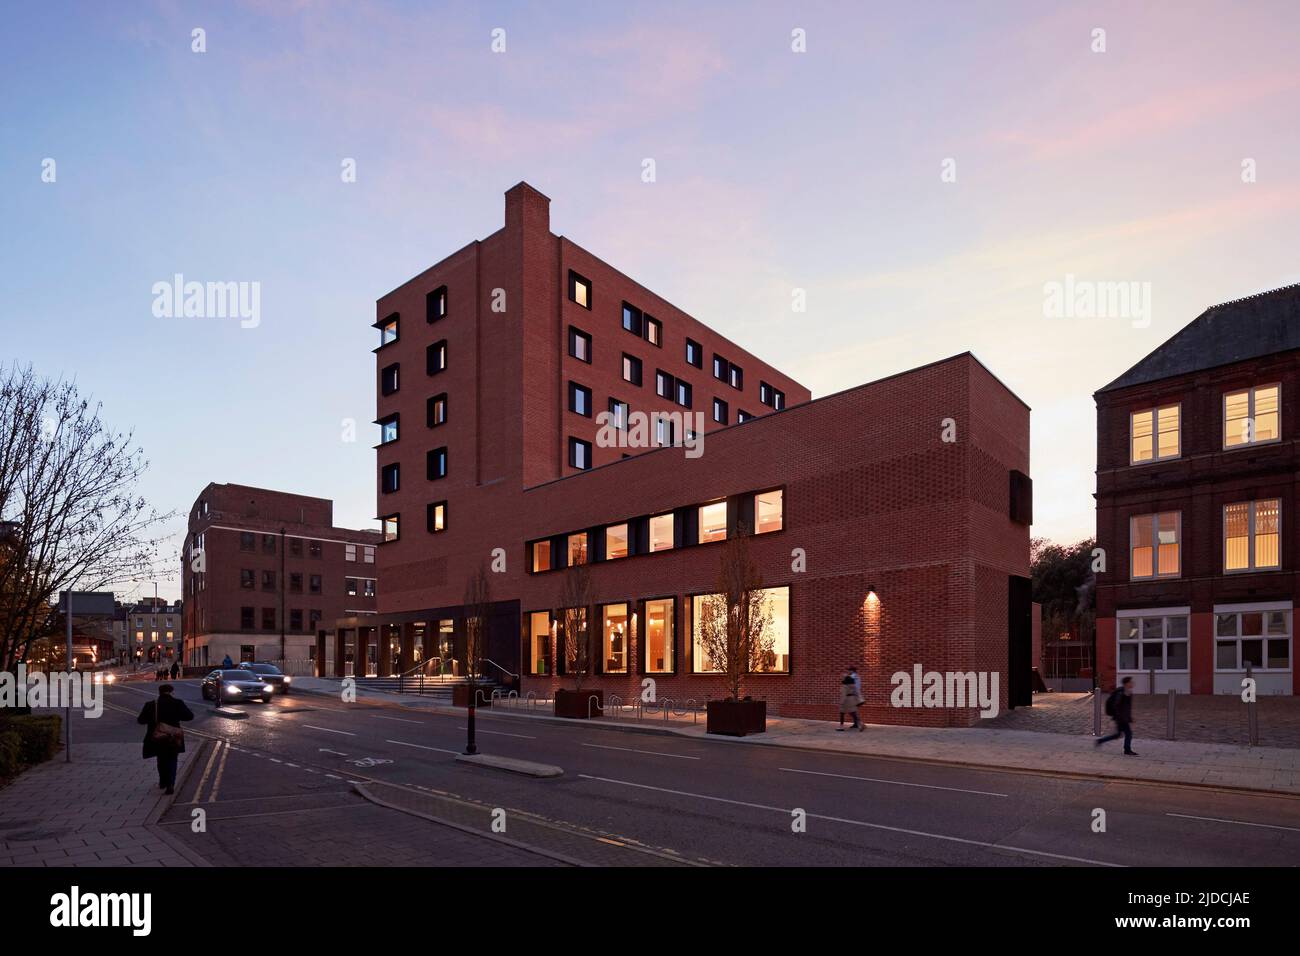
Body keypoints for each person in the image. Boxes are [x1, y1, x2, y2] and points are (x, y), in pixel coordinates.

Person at [137, 684, 194, 794]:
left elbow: (141, 720)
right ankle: (170, 784)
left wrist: (152, 720)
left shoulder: (151, 704)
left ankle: (163, 781)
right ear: (172, 692)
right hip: (173, 736)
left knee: (161, 759)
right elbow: (189, 716)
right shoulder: (178, 703)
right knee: (172, 759)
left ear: (159, 692)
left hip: (157, 737)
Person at [1095, 676, 1137, 755]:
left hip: (1123, 717)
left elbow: (1127, 708)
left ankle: (1100, 741)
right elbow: (1116, 706)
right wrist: (1119, 717)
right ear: (1127, 683)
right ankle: (1127, 750)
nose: (1132, 683)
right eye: (1131, 682)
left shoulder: (1129, 693)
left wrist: (1130, 718)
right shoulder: (1121, 693)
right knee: (1128, 733)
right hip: (1121, 718)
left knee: (1117, 735)